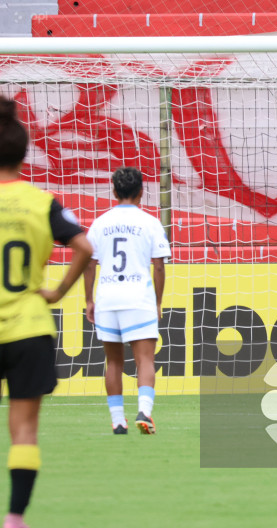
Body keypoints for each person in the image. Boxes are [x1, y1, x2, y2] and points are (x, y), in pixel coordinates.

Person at [0, 97, 93, 528]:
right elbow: (85, 248)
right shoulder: (42, 203)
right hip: (29, 328)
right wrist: (57, 291)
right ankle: (15, 519)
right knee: (23, 431)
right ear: (23, 153)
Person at [84, 167, 171, 435]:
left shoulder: (100, 222)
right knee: (144, 359)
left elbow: (88, 263)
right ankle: (144, 411)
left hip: (108, 296)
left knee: (113, 362)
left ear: (114, 191)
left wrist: (89, 299)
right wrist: (157, 302)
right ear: (142, 192)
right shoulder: (151, 222)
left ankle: (118, 421)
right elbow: (158, 267)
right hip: (138, 297)